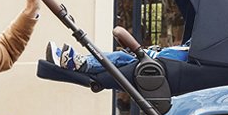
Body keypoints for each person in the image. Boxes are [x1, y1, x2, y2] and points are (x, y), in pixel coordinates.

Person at [44, 40, 189, 74]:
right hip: (149, 59)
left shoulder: (189, 52)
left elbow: (167, 59)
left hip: (151, 66)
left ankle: (81, 64)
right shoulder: (186, 47)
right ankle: (78, 60)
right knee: (118, 55)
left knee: (119, 57)